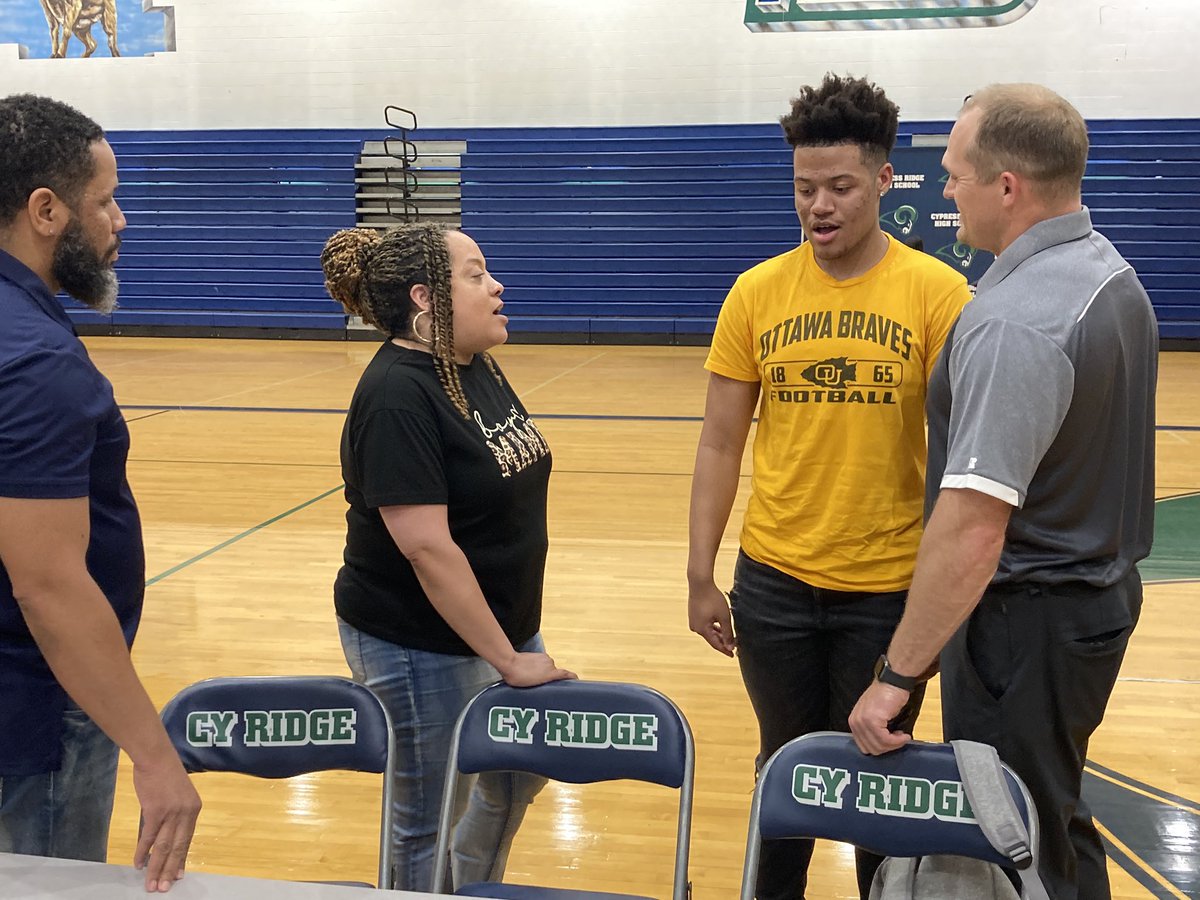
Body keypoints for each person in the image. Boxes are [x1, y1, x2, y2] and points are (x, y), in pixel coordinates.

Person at [849, 84, 1158, 900]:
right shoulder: (1108, 274)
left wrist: (898, 676)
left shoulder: (1016, 320)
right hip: (1091, 604)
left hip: (1027, 628)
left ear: (1007, 186)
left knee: (1008, 836)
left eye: (955, 176)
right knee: (1051, 819)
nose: (945, 191)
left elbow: (973, 529)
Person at [686, 73, 972, 899]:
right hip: (774, 583)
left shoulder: (937, 294)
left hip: (887, 591)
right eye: (805, 188)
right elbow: (717, 444)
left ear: (884, 180)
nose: (820, 205)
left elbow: (964, 456)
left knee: (877, 785)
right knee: (785, 771)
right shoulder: (758, 292)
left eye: (841, 186)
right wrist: (701, 573)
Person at [320, 222, 576, 892]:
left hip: (497, 625)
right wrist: (508, 659)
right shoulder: (397, 395)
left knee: (519, 769)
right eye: (475, 274)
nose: (496, 286)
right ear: (426, 297)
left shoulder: (470, 366)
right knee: (429, 814)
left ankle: (465, 883)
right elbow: (429, 549)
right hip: (418, 643)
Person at [0, 94, 201, 892]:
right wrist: (154, 755)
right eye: (106, 201)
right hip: (36, 715)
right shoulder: (34, 361)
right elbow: (49, 582)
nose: (120, 221)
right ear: (46, 211)